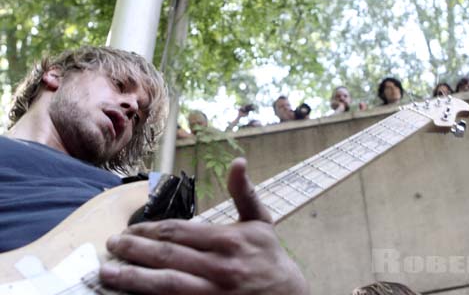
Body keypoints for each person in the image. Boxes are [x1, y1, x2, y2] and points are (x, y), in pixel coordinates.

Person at [2, 46, 308, 295]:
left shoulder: (148, 197)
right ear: (54, 77)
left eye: (139, 115)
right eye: (120, 85)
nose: (132, 107)